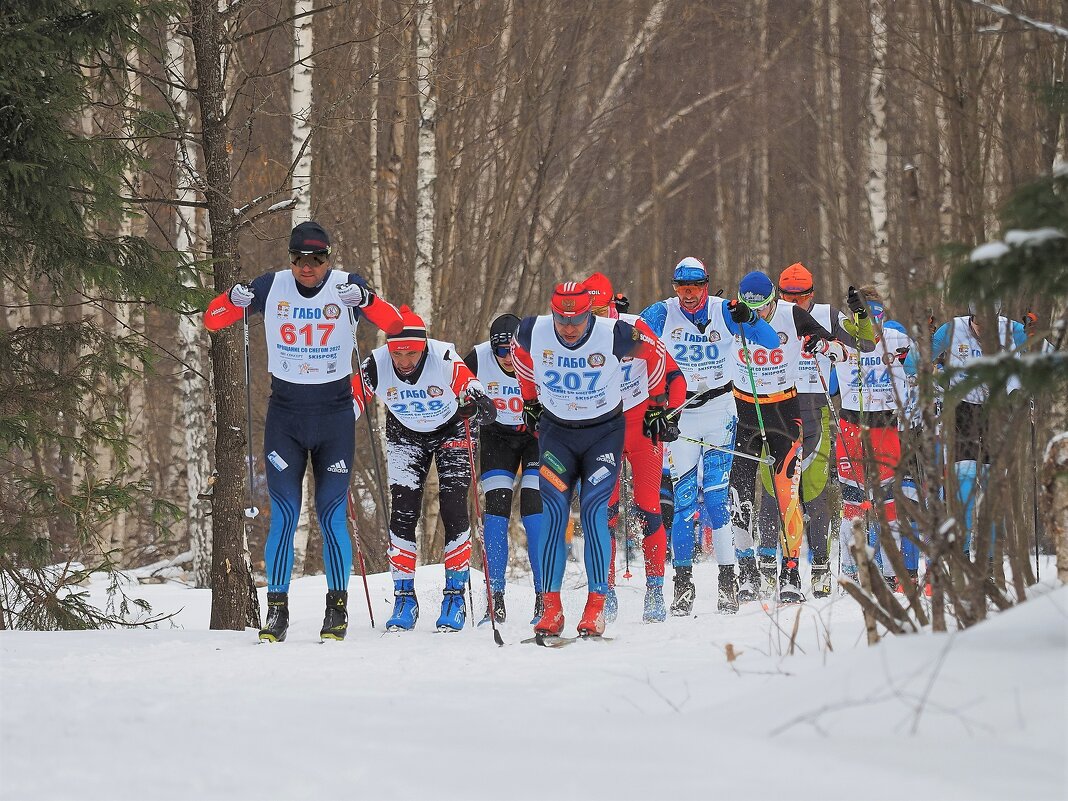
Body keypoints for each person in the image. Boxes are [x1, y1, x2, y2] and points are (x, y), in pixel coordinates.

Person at [203, 221, 404, 643]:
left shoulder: (347, 285)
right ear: (290, 259)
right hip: (286, 417)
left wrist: (366, 298)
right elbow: (213, 319)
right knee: (285, 515)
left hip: (333, 417)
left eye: (317, 259)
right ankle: (277, 611)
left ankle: (337, 608)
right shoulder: (271, 285)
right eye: (299, 259)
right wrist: (232, 298)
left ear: (329, 259)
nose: (307, 267)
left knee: (331, 517)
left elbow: (395, 324)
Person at [512, 281, 669, 640]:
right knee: (554, 511)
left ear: (589, 314)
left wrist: (658, 405)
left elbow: (657, 355)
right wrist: (530, 399)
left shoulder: (614, 332)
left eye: (577, 320)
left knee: (596, 509)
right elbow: (518, 354)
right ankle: (552, 607)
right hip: (556, 434)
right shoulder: (532, 330)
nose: (568, 328)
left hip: (602, 433)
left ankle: (596, 605)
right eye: (561, 320)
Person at [639, 257, 779, 615]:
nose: (687, 295)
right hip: (680, 414)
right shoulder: (662, 312)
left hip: (719, 412)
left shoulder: (725, 310)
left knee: (717, 501)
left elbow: (769, 341)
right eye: (681, 287)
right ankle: (683, 585)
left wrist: (750, 318)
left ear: (706, 285)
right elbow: (629, 336)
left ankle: (727, 582)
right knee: (684, 503)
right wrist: (615, 314)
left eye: (694, 287)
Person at [355, 305, 497, 632]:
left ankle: (455, 596)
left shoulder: (442, 355)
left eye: (411, 354)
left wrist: (477, 400)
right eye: (397, 354)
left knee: (453, 507)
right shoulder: (376, 362)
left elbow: (468, 381)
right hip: (405, 432)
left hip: (453, 429)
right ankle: (404, 597)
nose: (404, 361)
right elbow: (353, 397)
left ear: (424, 347)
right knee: (402, 511)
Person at [727, 271, 851, 604]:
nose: (761, 313)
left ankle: (791, 572)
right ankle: (747, 571)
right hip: (745, 413)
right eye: (755, 308)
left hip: (785, 411)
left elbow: (843, 353)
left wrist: (820, 344)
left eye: (766, 307)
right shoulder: (731, 313)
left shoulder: (793, 314)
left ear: (773, 300)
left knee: (787, 492)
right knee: (739, 492)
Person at [756, 263, 875, 597]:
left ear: (812, 294)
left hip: (814, 409)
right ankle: (768, 565)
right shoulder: (766, 314)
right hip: (775, 408)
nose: (796, 302)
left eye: (802, 295)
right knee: (773, 493)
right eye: (789, 295)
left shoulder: (828, 315)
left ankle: (820, 568)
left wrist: (860, 315)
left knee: (814, 491)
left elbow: (865, 346)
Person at [584, 272, 686, 623]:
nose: (593, 318)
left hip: (642, 427)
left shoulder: (633, 326)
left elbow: (673, 374)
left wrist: (666, 413)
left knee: (648, 507)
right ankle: (604, 589)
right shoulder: (574, 337)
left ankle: (655, 588)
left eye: (600, 309)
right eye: (587, 311)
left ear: (612, 305)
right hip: (603, 431)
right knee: (603, 513)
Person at [832, 287, 918, 589]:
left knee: (888, 503)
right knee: (853, 502)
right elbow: (828, 382)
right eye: (866, 312)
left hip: (885, 425)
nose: (873, 318)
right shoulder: (841, 336)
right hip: (852, 423)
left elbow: (916, 366)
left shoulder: (897, 338)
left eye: (876, 312)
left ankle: (893, 571)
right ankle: (850, 568)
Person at [463, 314, 543, 624]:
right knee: (495, 512)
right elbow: (453, 385)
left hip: (535, 437)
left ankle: (543, 597)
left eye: (512, 351)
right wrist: (464, 407)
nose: (508, 359)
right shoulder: (479, 357)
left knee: (534, 511)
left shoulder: (537, 354)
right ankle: (494, 598)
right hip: (497, 437)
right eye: (501, 352)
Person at [930, 301, 1027, 553]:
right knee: (964, 484)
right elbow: (915, 361)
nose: (983, 331)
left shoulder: (1012, 330)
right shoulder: (952, 329)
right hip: (963, 409)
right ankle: (961, 553)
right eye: (979, 324)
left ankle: (991, 559)